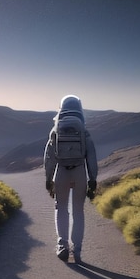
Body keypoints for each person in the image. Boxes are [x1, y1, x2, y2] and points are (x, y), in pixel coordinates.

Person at [43, 95, 98, 263]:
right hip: (80, 171)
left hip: (61, 171)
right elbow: (92, 157)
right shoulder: (83, 130)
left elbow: (48, 157)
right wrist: (92, 179)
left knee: (61, 208)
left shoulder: (56, 129)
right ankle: (78, 249)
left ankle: (62, 245)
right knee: (78, 211)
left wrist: (48, 178)